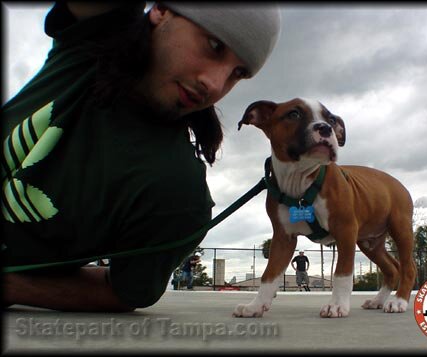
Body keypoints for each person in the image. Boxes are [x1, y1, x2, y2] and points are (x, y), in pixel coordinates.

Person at [3, 2, 280, 312]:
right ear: (161, 10)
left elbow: (125, 291)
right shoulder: (98, 34)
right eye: (214, 45)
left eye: (237, 73)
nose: (215, 84)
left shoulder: (176, 190)